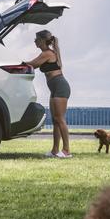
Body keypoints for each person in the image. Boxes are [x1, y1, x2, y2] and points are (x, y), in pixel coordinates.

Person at [24, 30, 71, 158]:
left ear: (43, 40)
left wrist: (19, 63)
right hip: (54, 88)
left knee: (60, 119)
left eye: (36, 39)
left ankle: (66, 150)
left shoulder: (47, 54)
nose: (35, 41)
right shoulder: (45, 53)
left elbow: (33, 64)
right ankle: (55, 150)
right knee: (56, 120)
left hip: (60, 87)